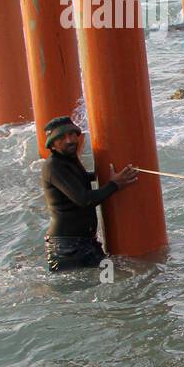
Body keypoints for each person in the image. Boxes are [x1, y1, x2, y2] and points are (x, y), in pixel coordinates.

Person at [40, 116, 137, 271]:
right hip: (67, 249)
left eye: (72, 134)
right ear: (52, 144)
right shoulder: (54, 167)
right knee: (97, 285)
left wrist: (104, 174)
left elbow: (79, 180)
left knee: (110, 278)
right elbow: (84, 199)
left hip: (85, 243)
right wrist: (115, 184)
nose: (69, 140)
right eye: (61, 138)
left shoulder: (68, 158)